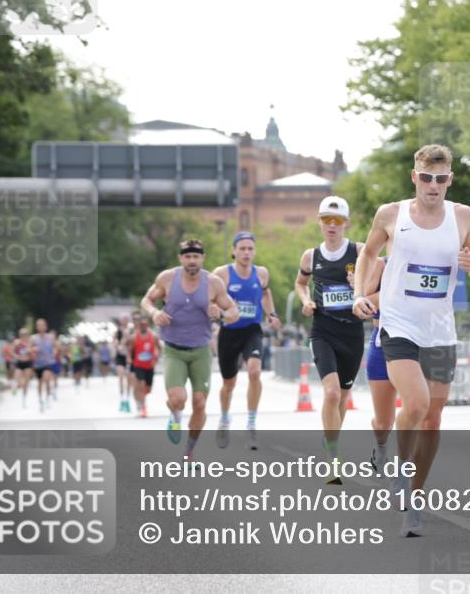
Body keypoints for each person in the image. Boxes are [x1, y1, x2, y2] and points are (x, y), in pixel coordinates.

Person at [352, 144, 470, 537]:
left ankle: (414, 495)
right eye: (426, 178)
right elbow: (369, 254)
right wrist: (362, 293)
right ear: (415, 177)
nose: (433, 185)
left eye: (441, 178)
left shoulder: (462, 216)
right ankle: (400, 469)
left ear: (450, 179)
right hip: (398, 325)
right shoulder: (391, 214)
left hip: (440, 330)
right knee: (416, 403)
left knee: (432, 420)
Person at [141, 238, 238, 459]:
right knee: (178, 399)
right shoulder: (167, 279)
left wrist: (221, 315)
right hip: (174, 349)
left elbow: (234, 311)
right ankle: (175, 416)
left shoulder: (213, 283)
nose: (192, 260)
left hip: (201, 351)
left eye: (196, 256)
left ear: (202, 258)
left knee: (200, 403)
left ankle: (189, 452)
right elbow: (146, 300)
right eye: (188, 256)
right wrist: (155, 313)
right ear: (180, 258)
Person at [295, 196, 366, 482]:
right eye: (326, 220)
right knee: (332, 393)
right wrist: (305, 301)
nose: (332, 225)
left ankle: (330, 438)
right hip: (323, 330)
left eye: (337, 220)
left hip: (352, 332)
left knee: (344, 396)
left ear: (345, 223)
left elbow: (377, 282)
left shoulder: (359, 251)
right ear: (320, 222)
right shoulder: (310, 256)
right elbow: (301, 283)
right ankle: (333, 458)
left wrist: (360, 284)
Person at [212, 231, 281, 450]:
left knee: (254, 372)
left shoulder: (261, 273)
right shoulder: (222, 274)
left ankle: (251, 422)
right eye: (241, 248)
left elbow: (266, 293)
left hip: (252, 329)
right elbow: (210, 300)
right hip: (229, 332)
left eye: (250, 248)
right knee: (228, 384)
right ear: (233, 251)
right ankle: (224, 418)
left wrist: (272, 314)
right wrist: (216, 315)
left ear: (255, 251)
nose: (246, 252)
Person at [361, 257, 395, 473]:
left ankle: (408, 466)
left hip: (419, 342)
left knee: (418, 408)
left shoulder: (427, 260)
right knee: (384, 423)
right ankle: (381, 446)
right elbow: (365, 303)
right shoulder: (382, 264)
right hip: (383, 341)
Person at [128, 315, 161, 418]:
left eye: (145, 324)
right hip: (138, 365)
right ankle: (143, 407)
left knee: (148, 389)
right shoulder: (134, 337)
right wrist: (129, 358)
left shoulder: (153, 336)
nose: (143, 326)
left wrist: (157, 356)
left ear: (148, 325)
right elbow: (130, 350)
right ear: (139, 325)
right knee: (141, 385)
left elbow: (159, 348)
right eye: (141, 324)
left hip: (150, 366)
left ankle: (140, 400)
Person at [30, 319, 57, 412]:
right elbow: (29, 349)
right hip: (38, 364)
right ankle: (40, 400)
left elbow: (55, 348)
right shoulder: (33, 338)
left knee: (47, 379)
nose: (41, 327)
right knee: (40, 382)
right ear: (37, 327)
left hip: (48, 362)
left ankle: (47, 398)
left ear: (46, 326)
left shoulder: (51, 337)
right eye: (39, 325)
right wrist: (34, 349)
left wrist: (54, 353)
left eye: (43, 325)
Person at [114, 314, 134, 412]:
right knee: (121, 376)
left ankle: (127, 399)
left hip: (129, 357)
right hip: (120, 357)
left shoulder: (131, 330)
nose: (124, 321)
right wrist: (124, 339)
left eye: (126, 319)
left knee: (129, 379)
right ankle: (122, 399)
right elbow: (117, 346)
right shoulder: (117, 332)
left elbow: (133, 343)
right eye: (123, 319)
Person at [12, 328, 33, 408]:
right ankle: (15, 387)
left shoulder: (30, 342)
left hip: (27, 363)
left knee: (26, 383)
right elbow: (12, 352)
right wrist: (17, 356)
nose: (24, 336)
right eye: (22, 334)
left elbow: (33, 352)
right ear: (19, 335)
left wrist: (30, 351)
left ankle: (24, 399)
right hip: (19, 363)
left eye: (25, 334)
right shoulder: (16, 342)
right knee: (16, 377)